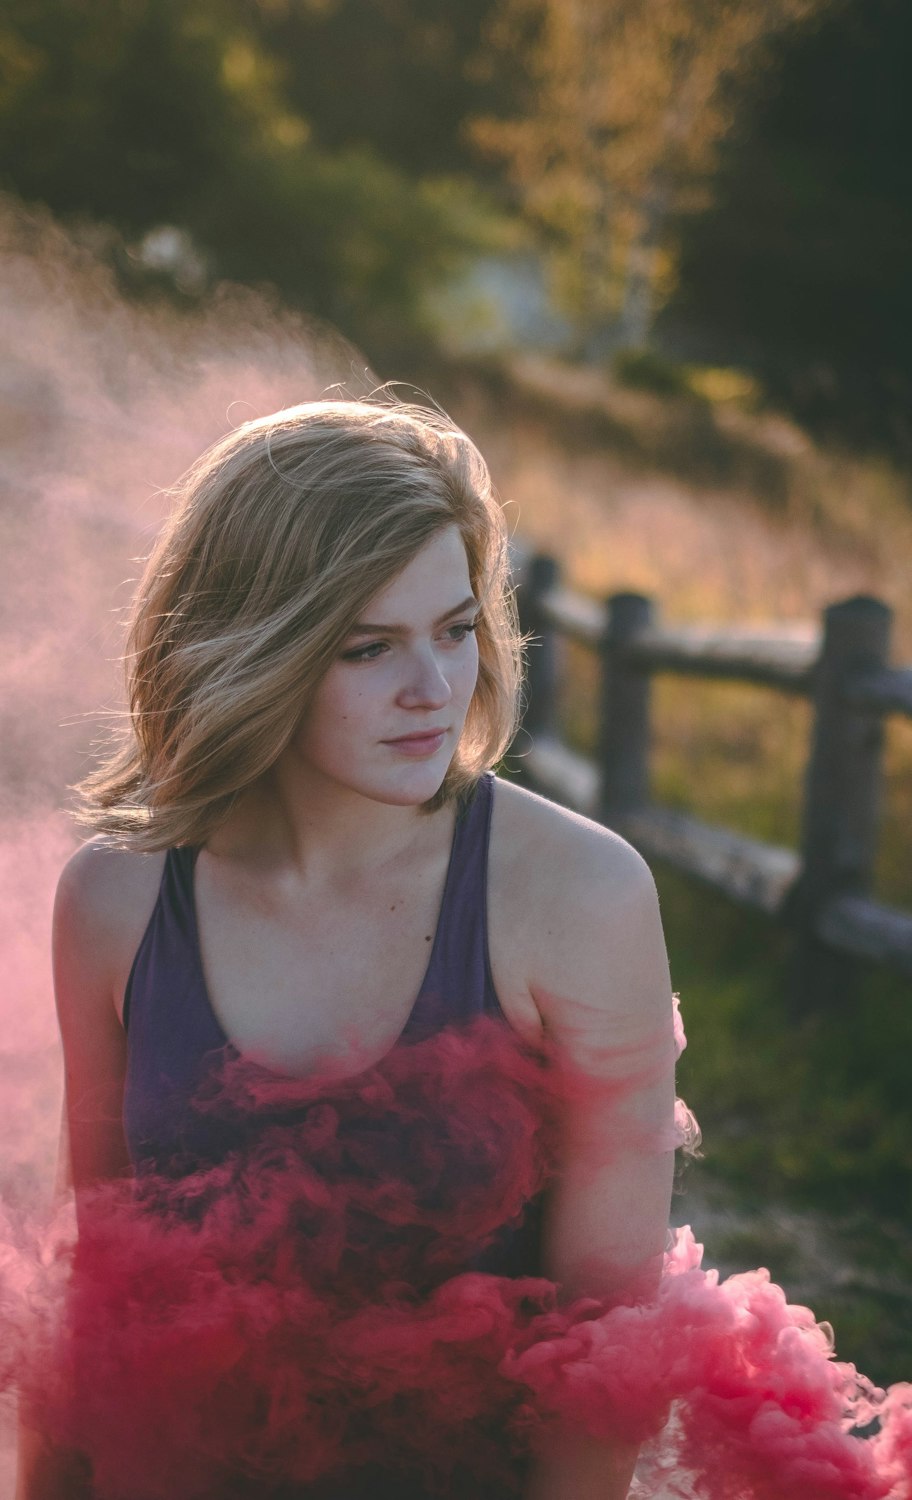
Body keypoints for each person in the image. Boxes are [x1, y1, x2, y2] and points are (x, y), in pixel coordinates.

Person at [17, 397, 677, 1500]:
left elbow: (601, 1359)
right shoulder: (117, 900)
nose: (433, 691)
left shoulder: (579, 896)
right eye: (369, 648)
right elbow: (100, 1298)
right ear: (253, 650)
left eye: (456, 629)